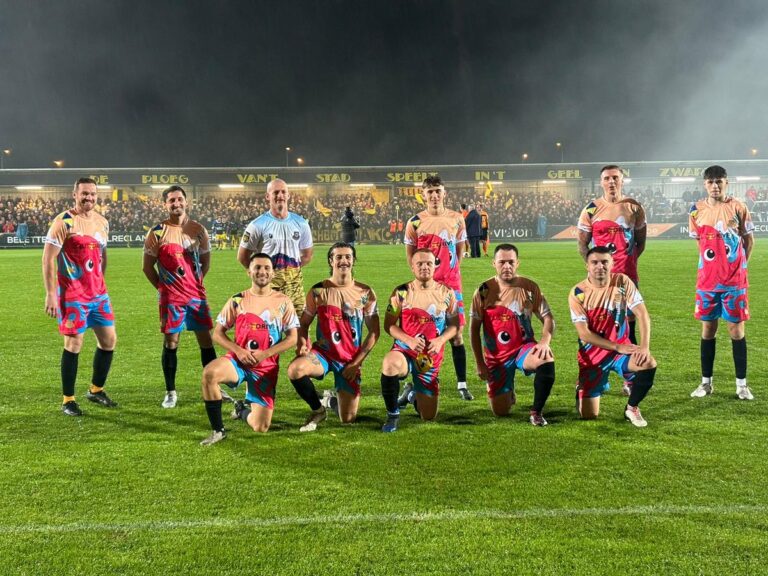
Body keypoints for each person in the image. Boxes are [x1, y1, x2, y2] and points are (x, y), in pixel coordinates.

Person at [199, 253, 299, 446]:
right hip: (239, 362)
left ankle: (241, 410)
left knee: (261, 426)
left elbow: (292, 338)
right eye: (257, 268)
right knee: (210, 374)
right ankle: (218, 431)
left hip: (265, 369)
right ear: (249, 272)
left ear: (273, 273)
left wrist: (265, 354)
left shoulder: (283, 301)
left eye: (267, 268)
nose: (262, 272)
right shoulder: (238, 300)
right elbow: (217, 334)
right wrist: (239, 351)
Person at [42, 177, 117, 416]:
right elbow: (48, 259)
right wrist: (51, 294)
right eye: (84, 193)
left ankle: (96, 390)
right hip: (72, 294)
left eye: (93, 194)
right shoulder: (64, 221)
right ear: (75, 194)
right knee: (74, 344)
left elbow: (102, 255)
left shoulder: (102, 222)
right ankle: (68, 400)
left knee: (109, 341)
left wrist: (100, 281)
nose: (89, 197)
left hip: (98, 294)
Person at [286, 242, 380, 431]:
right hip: (323, 354)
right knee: (295, 370)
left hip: (349, 360)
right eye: (339, 257)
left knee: (347, 419)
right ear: (331, 261)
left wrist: (356, 364)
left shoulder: (365, 293)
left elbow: (374, 332)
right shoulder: (318, 291)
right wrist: (302, 343)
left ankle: (330, 401)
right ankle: (318, 409)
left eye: (348, 257)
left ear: (353, 260)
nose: (343, 261)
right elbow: (303, 323)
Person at [142, 185, 216, 409]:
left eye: (179, 199)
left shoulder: (198, 230)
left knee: (206, 341)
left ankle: (213, 386)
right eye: (172, 200)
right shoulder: (157, 232)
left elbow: (206, 262)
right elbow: (147, 267)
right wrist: (164, 289)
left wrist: (193, 284)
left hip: (196, 297)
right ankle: (170, 392)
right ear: (165, 204)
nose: (176, 203)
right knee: (171, 342)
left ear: (186, 201)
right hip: (171, 299)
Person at [577, 165, 647, 396]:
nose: (611, 182)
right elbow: (582, 244)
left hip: (627, 278)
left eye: (615, 177)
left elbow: (640, 242)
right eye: (607, 178)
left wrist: (627, 263)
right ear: (601, 182)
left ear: (622, 180)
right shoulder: (591, 209)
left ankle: (630, 378)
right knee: (596, 325)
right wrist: (595, 269)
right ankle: (592, 373)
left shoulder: (634, 207)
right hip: (599, 281)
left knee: (629, 325)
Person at [568, 246, 657, 427]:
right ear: (587, 266)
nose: (600, 266)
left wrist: (644, 347)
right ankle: (583, 386)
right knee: (589, 415)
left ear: (612, 264)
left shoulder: (622, 282)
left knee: (648, 363)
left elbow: (642, 314)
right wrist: (616, 346)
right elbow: (584, 334)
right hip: (592, 357)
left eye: (604, 262)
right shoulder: (578, 292)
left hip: (620, 352)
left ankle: (631, 408)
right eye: (594, 262)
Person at [469, 244, 556, 426]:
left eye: (511, 262)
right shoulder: (484, 290)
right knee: (501, 412)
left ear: (518, 263)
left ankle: (536, 412)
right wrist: (479, 362)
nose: (507, 266)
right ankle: (507, 387)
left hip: (523, 348)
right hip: (497, 357)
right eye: (502, 262)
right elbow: (474, 329)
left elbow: (548, 318)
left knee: (545, 357)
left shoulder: (530, 287)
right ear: (494, 263)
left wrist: (544, 342)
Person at [689, 165, 755, 401]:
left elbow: (749, 241)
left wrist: (737, 267)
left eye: (719, 181)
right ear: (704, 184)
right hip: (707, 282)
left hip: (734, 283)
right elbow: (700, 243)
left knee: (736, 331)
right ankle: (706, 383)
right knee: (708, 330)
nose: (715, 186)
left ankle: (742, 385)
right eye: (710, 182)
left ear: (727, 182)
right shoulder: (696, 210)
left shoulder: (738, 207)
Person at [404, 175, 471, 400]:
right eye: (430, 192)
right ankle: (424, 381)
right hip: (426, 287)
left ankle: (462, 384)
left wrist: (450, 274)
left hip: (451, 286)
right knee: (427, 335)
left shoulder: (456, 219)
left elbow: (459, 251)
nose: (434, 195)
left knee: (456, 334)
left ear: (444, 193)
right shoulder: (415, 222)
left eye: (438, 191)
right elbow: (411, 257)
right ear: (423, 195)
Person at [379, 249, 460, 432]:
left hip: (429, 358)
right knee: (390, 364)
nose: (424, 267)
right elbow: (389, 325)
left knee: (428, 416)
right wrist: (409, 340)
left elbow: (454, 325)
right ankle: (392, 415)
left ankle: (410, 395)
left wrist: (440, 340)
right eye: (420, 264)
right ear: (412, 267)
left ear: (435, 266)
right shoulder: (401, 292)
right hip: (405, 350)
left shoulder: (447, 293)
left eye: (429, 263)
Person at [238, 178, 313, 316]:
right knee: (269, 327)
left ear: (288, 195)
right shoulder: (257, 225)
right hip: (268, 289)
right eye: (276, 192)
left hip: (295, 290)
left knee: (299, 328)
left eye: (283, 192)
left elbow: (307, 256)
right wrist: (262, 273)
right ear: (268, 196)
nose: (280, 196)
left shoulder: (301, 223)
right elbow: (242, 257)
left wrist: (289, 270)